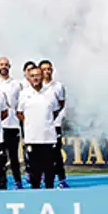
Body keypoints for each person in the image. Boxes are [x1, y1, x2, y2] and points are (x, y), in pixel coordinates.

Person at [16, 65, 62, 189]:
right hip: (32, 138)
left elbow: (55, 110)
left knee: (49, 170)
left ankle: (50, 193)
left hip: (48, 137)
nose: (35, 78)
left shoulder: (51, 93)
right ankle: (35, 195)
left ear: (42, 76)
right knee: (34, 171)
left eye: (37, 75)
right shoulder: (24, 94)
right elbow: (19, 113)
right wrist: (30, 122)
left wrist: (45, 121)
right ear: (28, 79)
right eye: (32, 76)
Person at [39, 60, 70, 189]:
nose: (47, 72)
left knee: (56, 153)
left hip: (54, 125)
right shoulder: (37, 86)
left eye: (49, 69)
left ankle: (61, 179)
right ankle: (41, 178)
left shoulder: (58, 86)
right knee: (40, 153)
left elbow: (62, 104)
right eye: (44, 69)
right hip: (40, 125)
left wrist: (55, 116)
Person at [0, 57, 24, 189]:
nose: (4, 67)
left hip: (12, 125)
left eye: (6, 65)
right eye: (1, 64)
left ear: (10, 66)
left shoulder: (17, 84)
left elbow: (21, 103)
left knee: (13, 156)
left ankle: (18, 181)